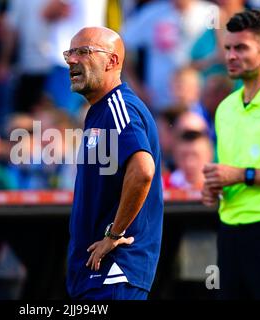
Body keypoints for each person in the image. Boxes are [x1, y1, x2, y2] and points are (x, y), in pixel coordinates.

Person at [65, 27, 163, 300]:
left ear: (112, 61)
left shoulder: (119, 107)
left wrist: (114, 232)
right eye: (70, 53)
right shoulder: (100, 111)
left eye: (83, 52)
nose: (72, 60)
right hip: (96, 274)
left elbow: (143, 170)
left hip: (114, 271)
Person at [202, 10, 260, 299]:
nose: (230, 56)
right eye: (227, 48)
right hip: (228, 233)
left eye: (241, 48)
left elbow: (238, 172)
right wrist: (214, 187)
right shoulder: (225, 107)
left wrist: (242, 175)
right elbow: (228, 171)